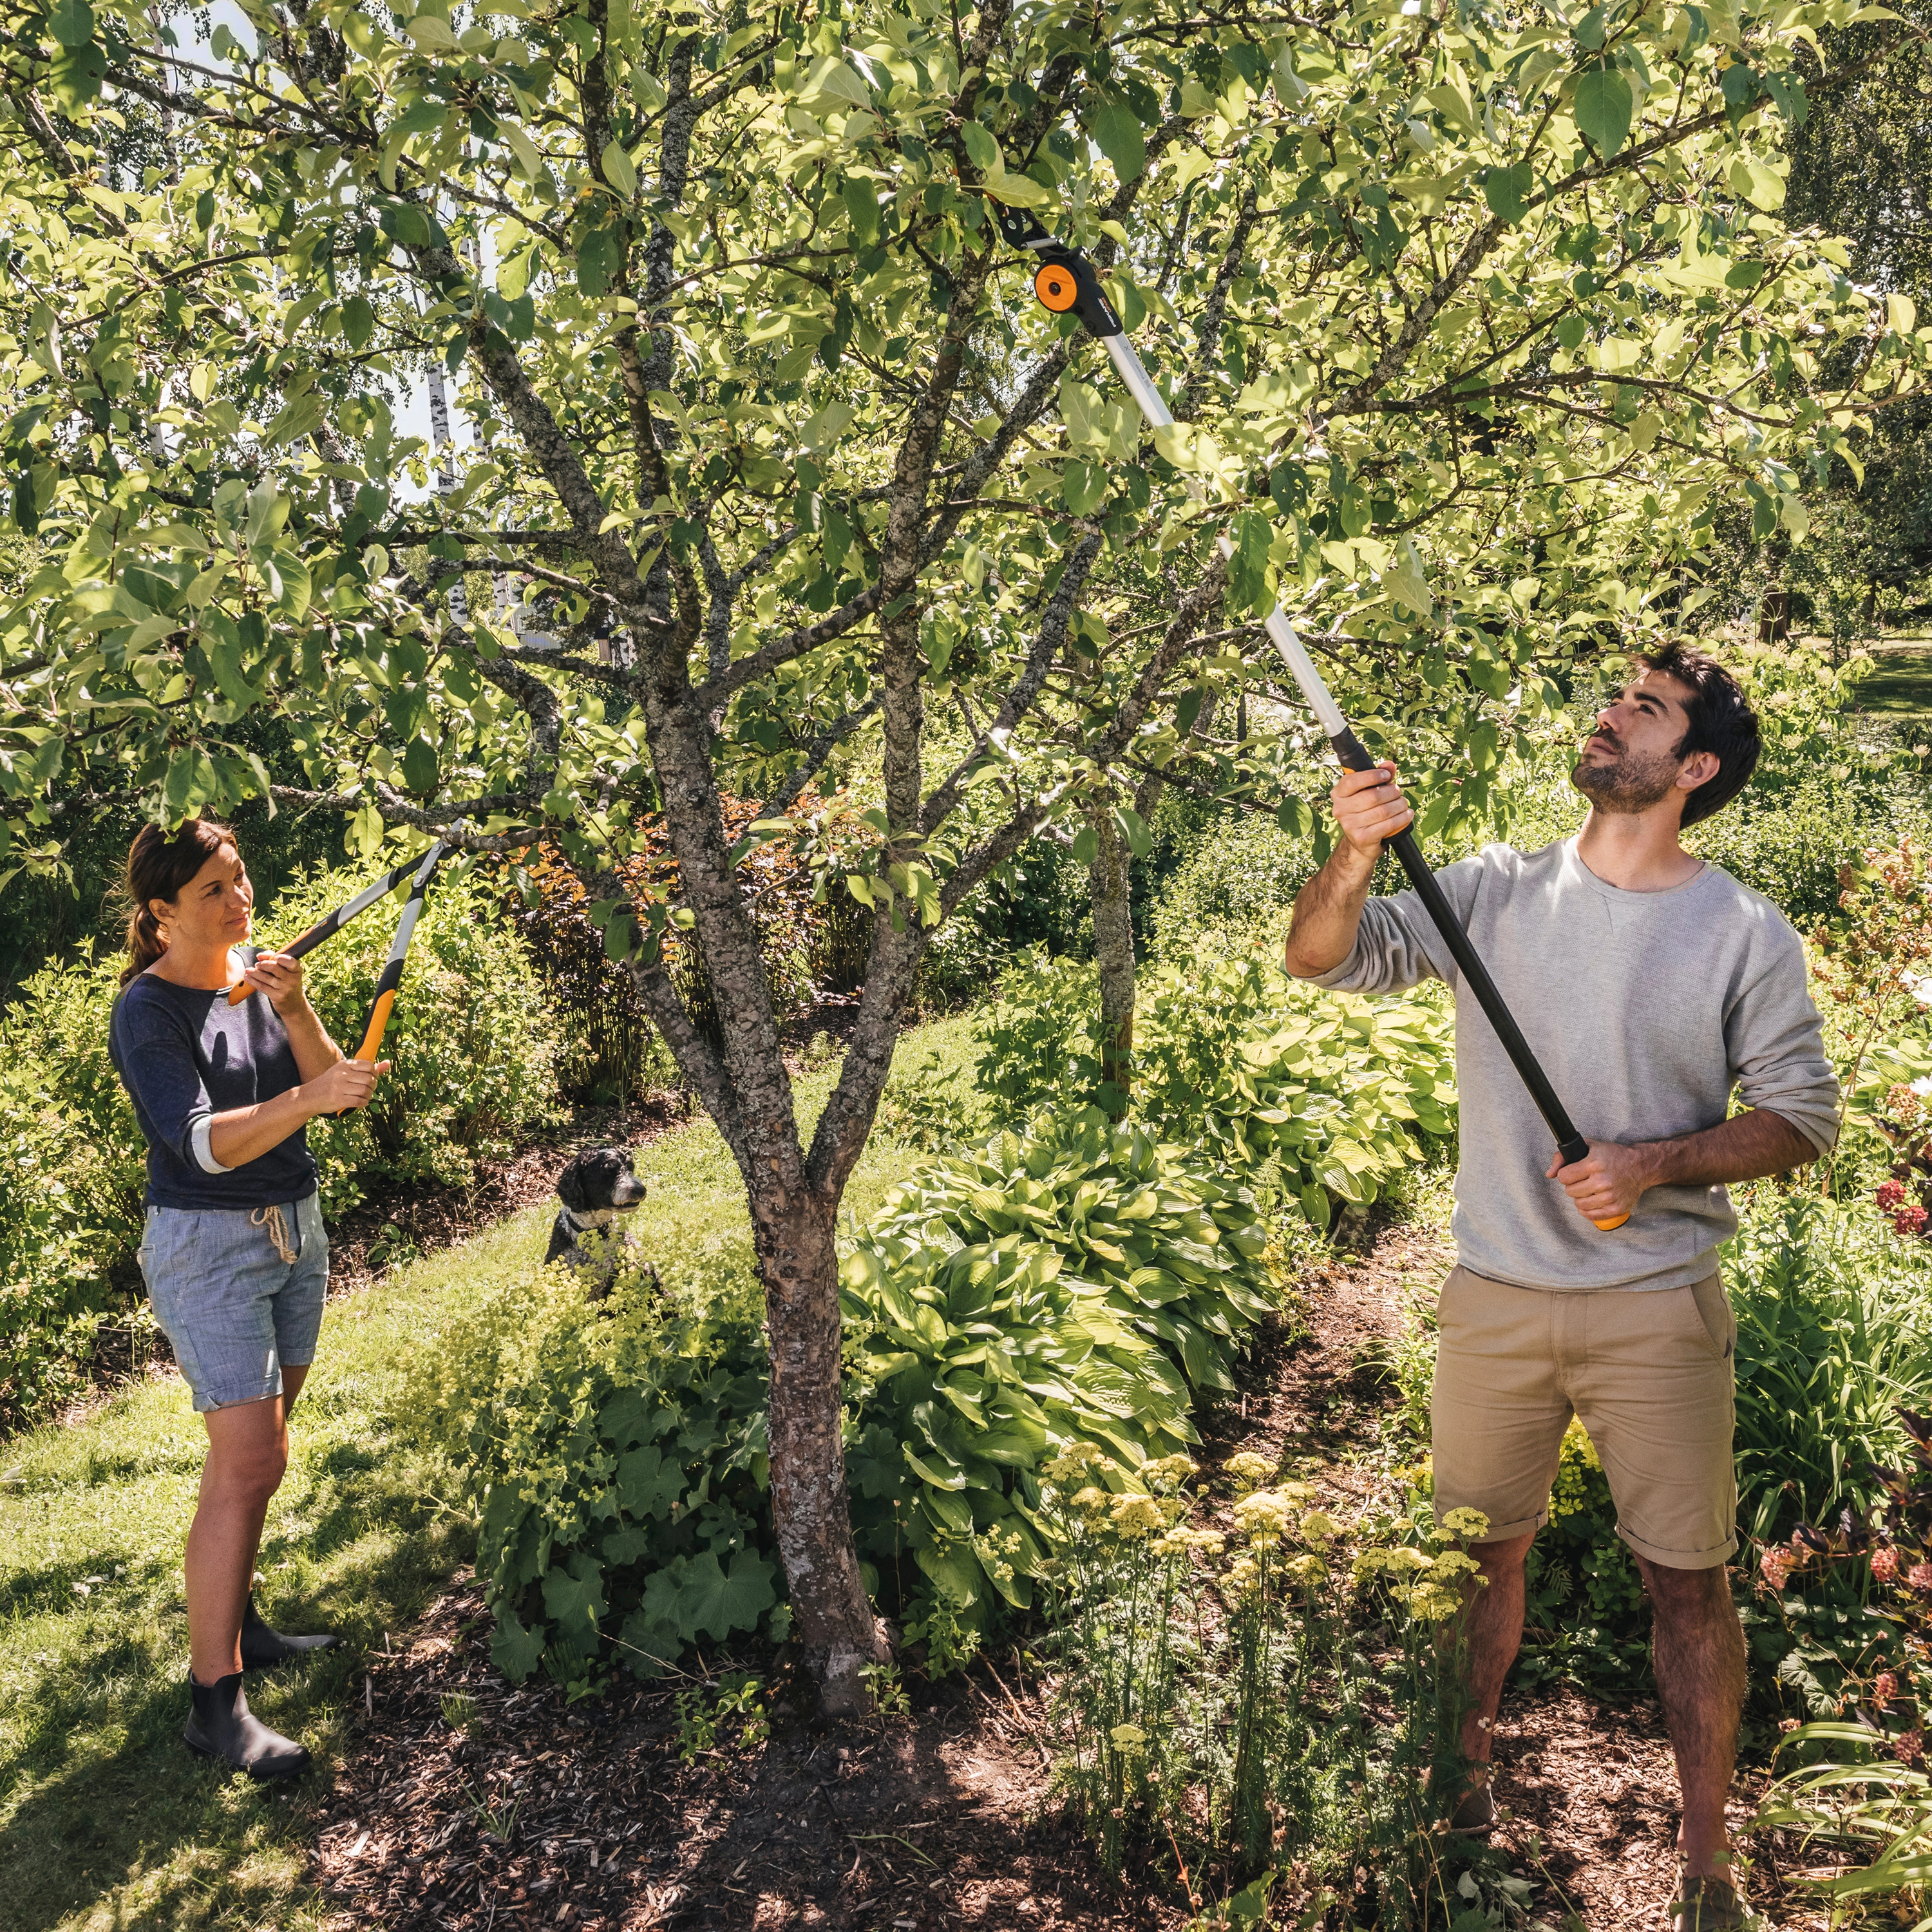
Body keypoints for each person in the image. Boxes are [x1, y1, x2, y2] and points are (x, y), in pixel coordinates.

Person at [1283, 643, 1838, 1932]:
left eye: (1644, 709)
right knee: (1477, 1559)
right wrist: (1357, 851)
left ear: (1693, 768)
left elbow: (1802, 1120)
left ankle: (1706, 1867)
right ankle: (1459, 1791)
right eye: (1613, 697)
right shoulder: (1491, 890)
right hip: (1494, 1298)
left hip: (1657, 1307)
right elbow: (1321, 956)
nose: (1610, 714)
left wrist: (1657, 1163)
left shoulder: (1743, 933)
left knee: (1687, 1585)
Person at [109, 817, 388, 1777]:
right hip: (208, 1246)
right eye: (213, 893)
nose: (240, 903)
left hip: (293, 1229)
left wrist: (299, 1009)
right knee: (248, 1462)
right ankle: (213, 1707)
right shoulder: (149, 1012)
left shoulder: (251, 977)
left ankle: (239, 1625)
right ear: (160, 915)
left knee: (265, 1451)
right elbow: (197, 1142)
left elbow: (334, 1087)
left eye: (241, 879)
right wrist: (309, 1103)